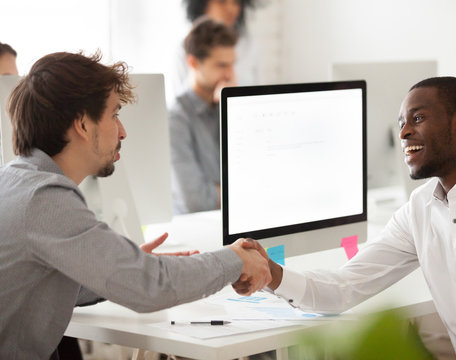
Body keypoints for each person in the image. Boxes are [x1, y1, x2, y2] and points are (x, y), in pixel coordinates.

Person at [238, 77, 456, 359]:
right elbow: (344, 286)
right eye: (401, 123)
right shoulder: (420, 208)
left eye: (417, 118)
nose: (403, 133)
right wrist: (271, 274)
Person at [0, 51, 271, 360]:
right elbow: (151, 286)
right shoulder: (45, 199)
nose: (123, 131)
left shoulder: (14, 181)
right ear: (83, 125)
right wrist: (234, 260)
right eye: (114, 114)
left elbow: (33, 284)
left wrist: (115, 269)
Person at [169, 17, 236, 214]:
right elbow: (196, 200)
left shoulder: (226, 107)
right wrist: (239, 192)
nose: (230, 74)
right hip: (196, 228)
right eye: (222, 65)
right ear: (193, 63)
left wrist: (234, 107)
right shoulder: (176, 118)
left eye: (232, 65)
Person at [169, 0, 261, 104]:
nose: (231, 9)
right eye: (222, 2)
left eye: (236, 2)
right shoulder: (185, 48)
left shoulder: (249, 44)